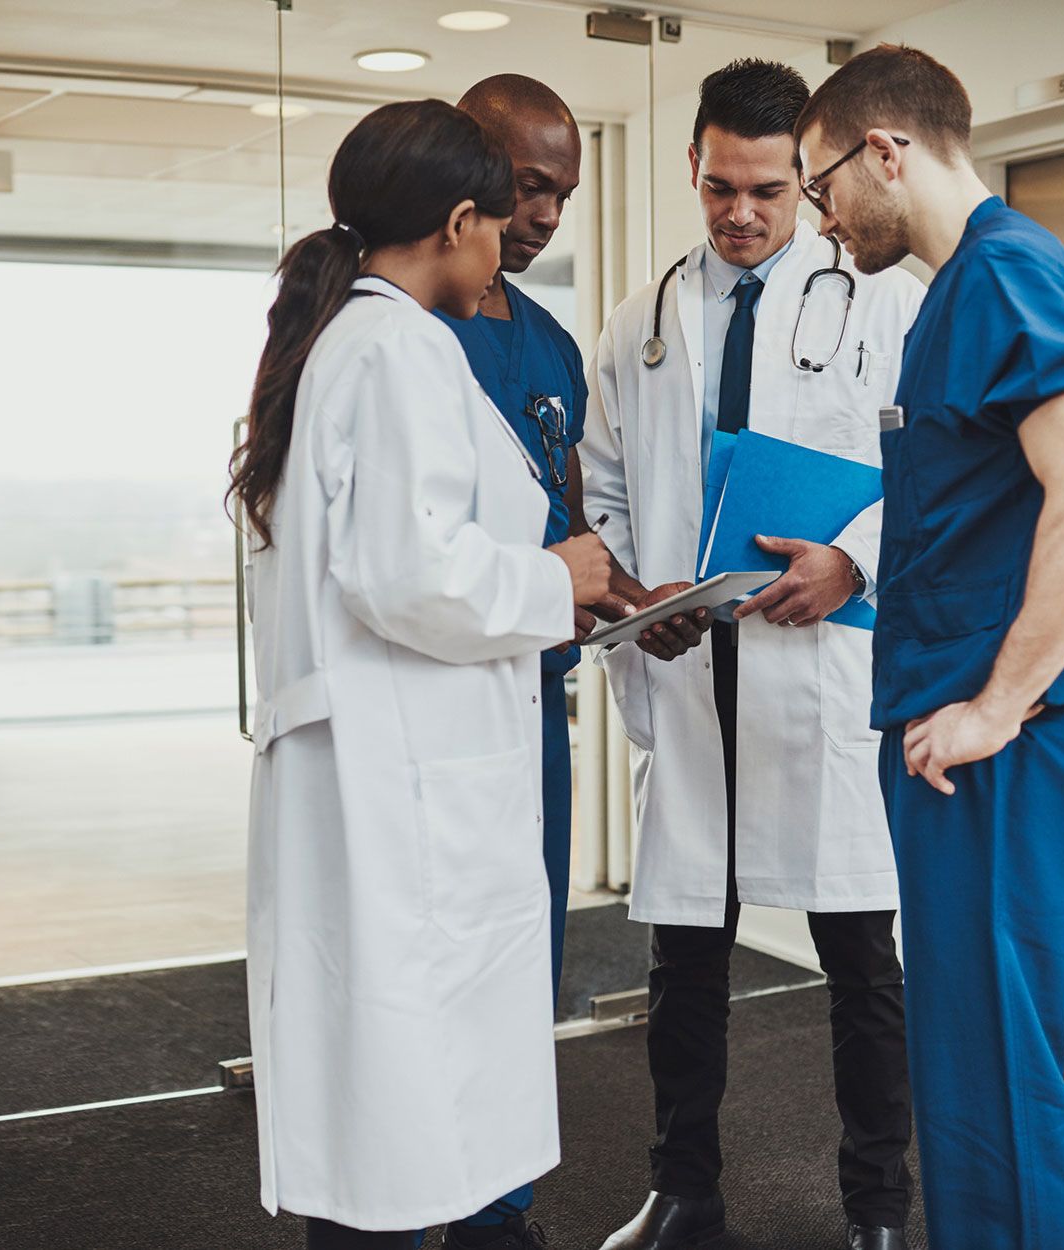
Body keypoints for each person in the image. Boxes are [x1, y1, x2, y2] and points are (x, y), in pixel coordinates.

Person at [230, 99, 613, 1249]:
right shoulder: (400, 348)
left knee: (380, 1093)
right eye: (499, 221)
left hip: (380, 761)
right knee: (396, 1091)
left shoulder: (344, 341)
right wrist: (554, 576)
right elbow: (409, 576)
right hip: (400, 778)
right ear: (457, 223)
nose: (507, 247)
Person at [794, 45, 1064, 1250]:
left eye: (819, 185)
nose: (820, 216)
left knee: (999, 1064)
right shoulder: (953, 294)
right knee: (961, 1057)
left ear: (882, 151)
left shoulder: (1004, 272)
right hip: (953, 742)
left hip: (998, 744)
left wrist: (996, 703)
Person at [578, 59, 923, 1250]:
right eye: (719, 186)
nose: (739, 213)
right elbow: (603, 486)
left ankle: (877, 1208)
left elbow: (934, 470)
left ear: (806, 178)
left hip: (815, 668)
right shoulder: (641, 319)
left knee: (861, 961)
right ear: (691, 163)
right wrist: (640, 597)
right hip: (689, 671)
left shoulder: (879, 297)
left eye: (767, 191)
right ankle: (682, 1190)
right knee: (682, 957)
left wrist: (852, 561)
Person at [430, 72, 599, 1249]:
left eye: (561, 195)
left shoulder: (548, 343)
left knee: (517, 959)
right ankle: (409, 1202)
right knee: (427, 968)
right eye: (527, 186)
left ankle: (496, 1212)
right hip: (428, 703)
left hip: (529, 701)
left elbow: (568, 522)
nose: (542, 216)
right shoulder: (396, 329)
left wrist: (635, 599)